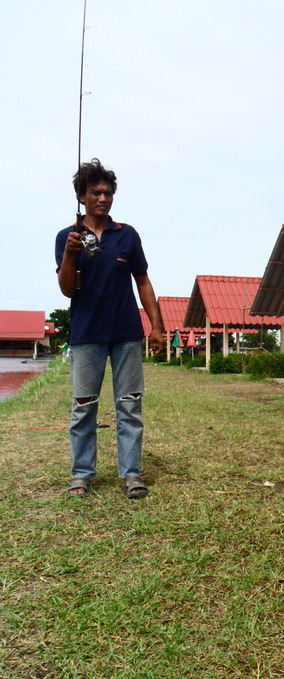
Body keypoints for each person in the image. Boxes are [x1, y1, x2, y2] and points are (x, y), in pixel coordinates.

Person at [56, 158, 164, 499]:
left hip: (126, 334)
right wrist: (71, 255)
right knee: (83, 405)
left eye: (108, 193)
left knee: (130, 405)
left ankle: (131, 474)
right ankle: (81, 474)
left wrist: (156, 326)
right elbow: (66, 289)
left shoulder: (126, 235)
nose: (102, 198)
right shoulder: (67, 237)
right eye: (95, 193)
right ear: (82, 197)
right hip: (87, 334)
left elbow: (143, 282)